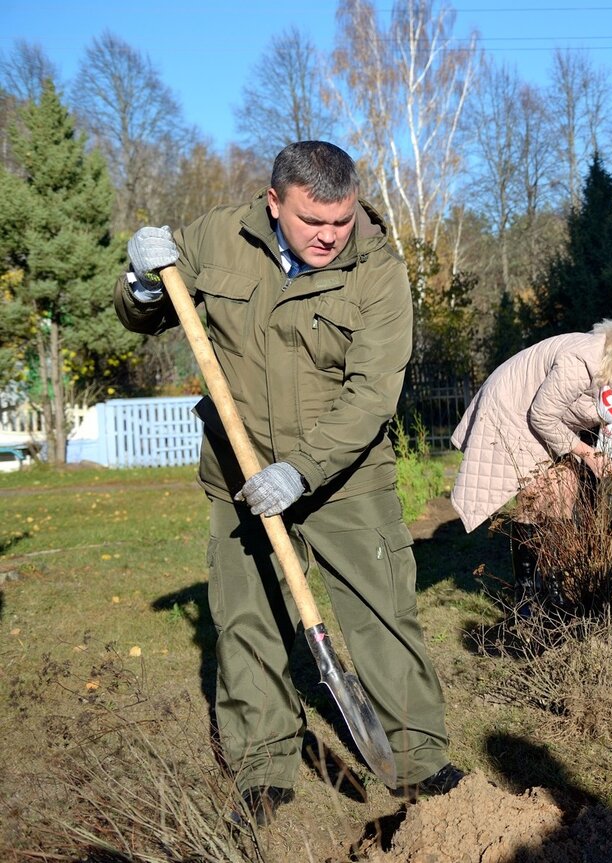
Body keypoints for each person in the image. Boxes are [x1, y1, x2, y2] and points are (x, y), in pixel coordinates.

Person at [114, 141, 461, 826]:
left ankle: (420, 760)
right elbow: (147, 314)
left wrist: (301, 469)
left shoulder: (379, 270)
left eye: (342, 219)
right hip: (238, 473)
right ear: (274, 203)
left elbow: (370, 395)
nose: (331, 235)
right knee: (248, 622)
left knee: (383, 613)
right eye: (312, 222)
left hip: (346, 477)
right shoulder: (216, 237)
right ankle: (264, 769)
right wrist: (143, 280)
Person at [450, 325, 612, 607]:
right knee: (537, 494)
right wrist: (588, 454)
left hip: (549, 421)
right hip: (513, 409)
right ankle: (527, 594)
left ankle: (552, 585)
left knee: (564, 488)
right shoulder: (580, 362)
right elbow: (542, 416)